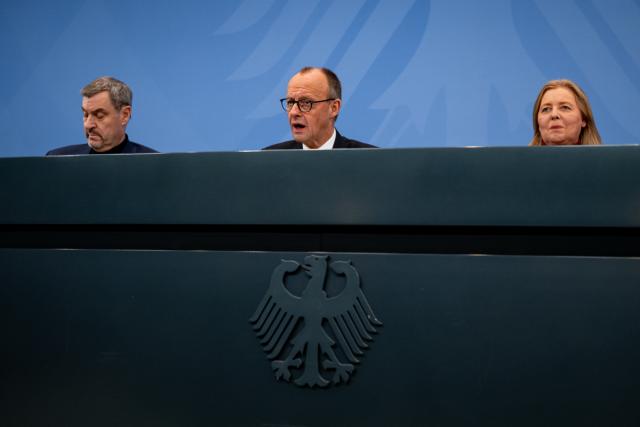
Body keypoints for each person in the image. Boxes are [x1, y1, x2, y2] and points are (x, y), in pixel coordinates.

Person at [263, 67, 375, 150]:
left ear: (334, 108)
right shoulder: (268, 161)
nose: (293, 112)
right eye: (290, 102)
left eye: (306, 103)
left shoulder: (370, 161)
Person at [47, 77, 156, 155]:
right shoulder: (56, 160)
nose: (88, 125)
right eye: (85, 114)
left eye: (99, 115)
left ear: (125, 115)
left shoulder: (154, 166)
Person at [529, 79, 602, 146]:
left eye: (565, 107)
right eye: (546, 109)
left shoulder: (604, 160)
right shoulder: (522, 160)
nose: (554, 115)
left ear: (583, 119)